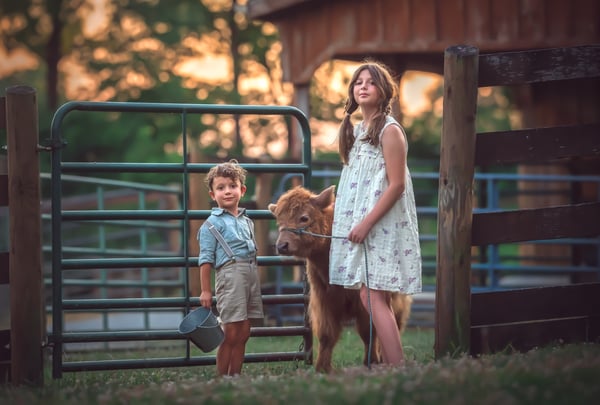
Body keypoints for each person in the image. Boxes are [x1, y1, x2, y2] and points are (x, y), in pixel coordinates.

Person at [329, 60, 422, 367]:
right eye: (358, 82)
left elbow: (395, 186)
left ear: (384, 91)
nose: (364, 86)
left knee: (372, 296)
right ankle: (395, 364)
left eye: (371, 82)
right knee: (370, 296)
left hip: (380, 223)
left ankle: (397, 365)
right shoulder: (357, 132)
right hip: (362, 223)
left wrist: (366, 223)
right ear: (352, 92)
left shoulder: (390, 131)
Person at [197, 159, 264, 377]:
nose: (227, 191)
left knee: (244, 331)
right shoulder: (211, 224)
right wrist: (206, 290)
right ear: (212, 194)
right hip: (230, 275)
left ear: (242, 190)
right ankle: (221, 377)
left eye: (232, 186)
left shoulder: (247, 221)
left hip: (250, 275)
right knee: (230, 331)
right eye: (221, 188)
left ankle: (235, 375)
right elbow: (205, 260)